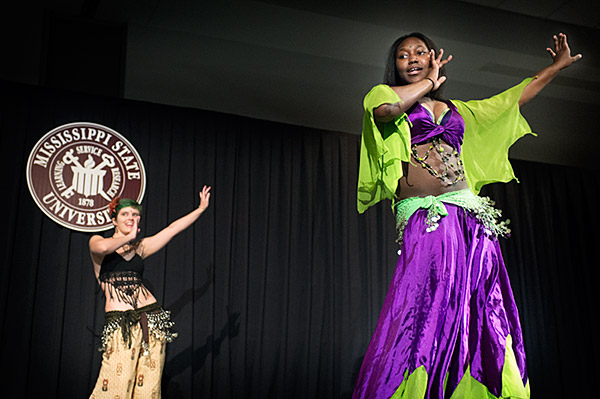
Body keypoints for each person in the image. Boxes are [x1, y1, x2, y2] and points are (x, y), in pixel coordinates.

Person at [354, 32, 581, 399]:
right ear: (394, 65)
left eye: (420, 52)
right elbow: (388, 112)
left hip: (471, 217)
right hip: (427, 218)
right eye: (402, 55)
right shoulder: (382, 96)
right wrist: (430, 80)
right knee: (425, 303)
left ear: (433, 56)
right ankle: (414, 385)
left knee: (479, 304)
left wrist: (554, 68)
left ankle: (479, 383)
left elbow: (512, 100)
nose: (411, 58)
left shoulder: (460, 110)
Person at [88, 186, 211, 398]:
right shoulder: (98, 242)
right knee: (116, 385)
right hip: (121, 323)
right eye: (125, 214)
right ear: (114, 220)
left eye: (135, 215)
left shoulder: (140, 248)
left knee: (149, 387)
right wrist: (128, 237)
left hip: (152, 319)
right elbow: (102, 249)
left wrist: (200, 209)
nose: (131, 218)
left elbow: (172, 229)